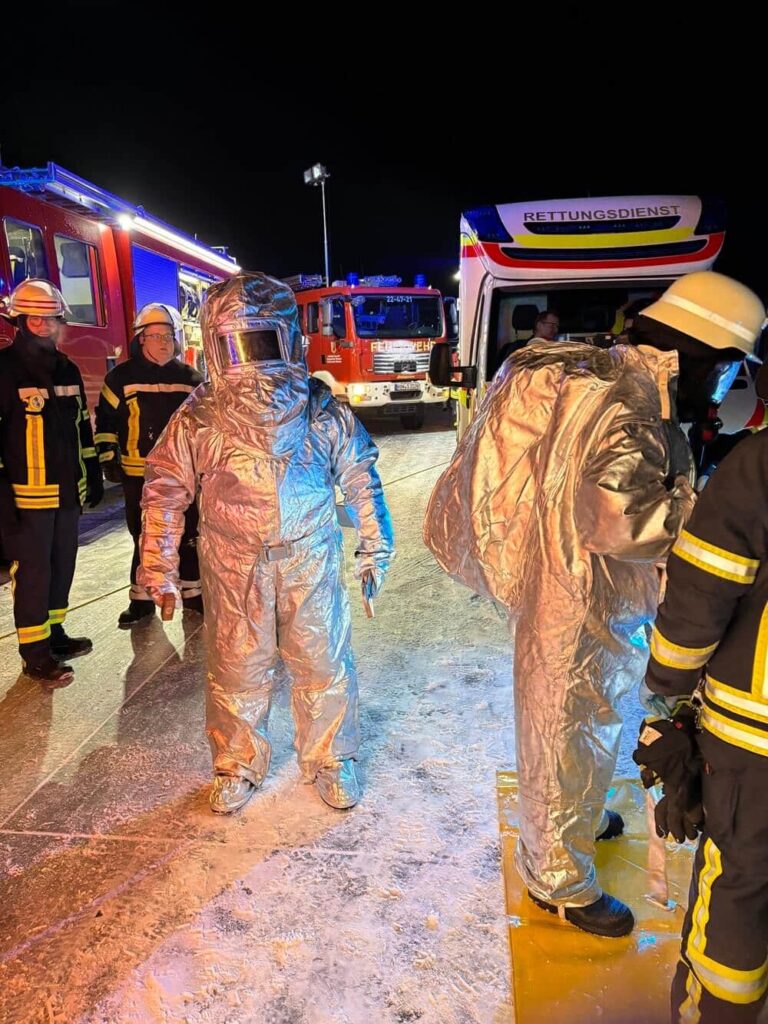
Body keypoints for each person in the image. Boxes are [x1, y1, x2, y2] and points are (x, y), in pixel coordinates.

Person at [424, 271, 765, 937]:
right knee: (564, 727)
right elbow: (616, 517)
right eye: (727, 370)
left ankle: (573, 817)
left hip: (586, 586)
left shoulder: (618, 376)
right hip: (580, 596)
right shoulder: (630, 401)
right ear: (702, 353)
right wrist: (708, 512)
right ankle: (557, 882)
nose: (724, 387)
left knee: (586, 723)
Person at [137, 272, 395, 813]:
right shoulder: (202, 414)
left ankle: (331, 756)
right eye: (239, 344)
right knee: (237, 664)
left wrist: (375, 545)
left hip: (308, 553)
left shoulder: (319, 408)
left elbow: (360, 475)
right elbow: (165, 490)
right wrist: (158, 567)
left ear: (288, 338)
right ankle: (236, 761)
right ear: (217, 346)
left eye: (262, 341)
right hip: (235, 562)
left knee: (322, 659)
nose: (254, 362)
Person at [634, 426, 768, 1023]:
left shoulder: (759, 465)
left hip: (754, 744)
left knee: (739, 888)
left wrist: (668, 692)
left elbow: (702, 589)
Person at [0, 279, 103, 686]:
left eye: (51, 319)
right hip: (26, 499)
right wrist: (2, 498)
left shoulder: (67, 368)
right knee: (34, 574)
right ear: (19, 321)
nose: (45, 326)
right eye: (35, 319)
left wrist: (92, 473)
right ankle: (35, 655)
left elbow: (81, 428)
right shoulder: (4, 369)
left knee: (62, 566)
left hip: (66, 493)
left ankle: (54, 633)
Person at [95, 303, 203, 627]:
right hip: (138, 475)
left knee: (189, 534)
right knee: (144, 537)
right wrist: (107, 455)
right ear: (140, 339)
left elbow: (204, 426)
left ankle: (193, 595)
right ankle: (142, 602)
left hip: (183, 475)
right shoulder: (120, 378)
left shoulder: (191, 379)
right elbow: (106, 421)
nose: (164, 342)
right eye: (156, 336)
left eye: (168, 335)